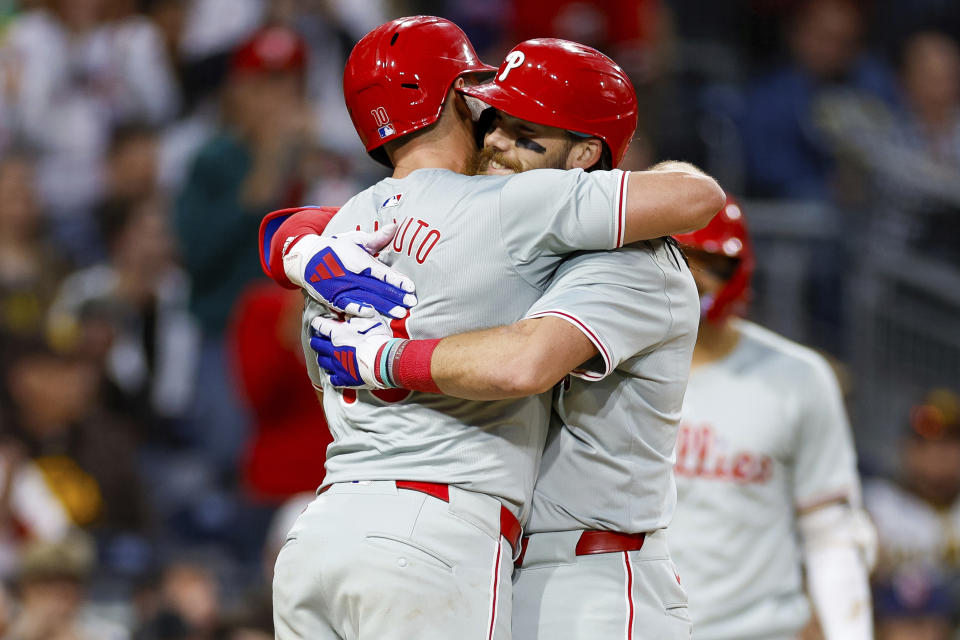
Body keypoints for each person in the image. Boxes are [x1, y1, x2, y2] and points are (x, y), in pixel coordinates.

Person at [267, 17, 723, 640]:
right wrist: (294, 243)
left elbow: (523, 362)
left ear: (588, 156)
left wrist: (377, 346)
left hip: (592, 582)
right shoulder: (495, 220)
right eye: (495, 118)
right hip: (455, 543)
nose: (500, 141)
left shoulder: (631, 259)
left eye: (527, 131)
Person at [666, 200, 874, 639]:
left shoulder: (798, 377)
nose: (697, 279)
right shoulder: (601, 369)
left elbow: (831, 532)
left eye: (713, 262)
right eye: (684, 259)